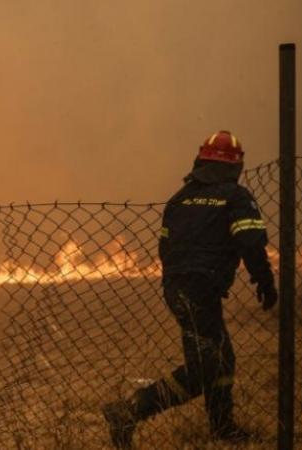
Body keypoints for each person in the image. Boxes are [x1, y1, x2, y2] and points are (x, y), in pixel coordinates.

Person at [102, 131, 277, 448]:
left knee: (221, 359)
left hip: (179, 287)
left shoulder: (180, 198)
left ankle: (222, 428)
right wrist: (263, 279)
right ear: (235, 166)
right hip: (201, 289)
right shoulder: (236, 197)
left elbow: (165, 248)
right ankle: (129, 410)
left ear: (201, 161)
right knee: (204, 369)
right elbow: (250, 241)